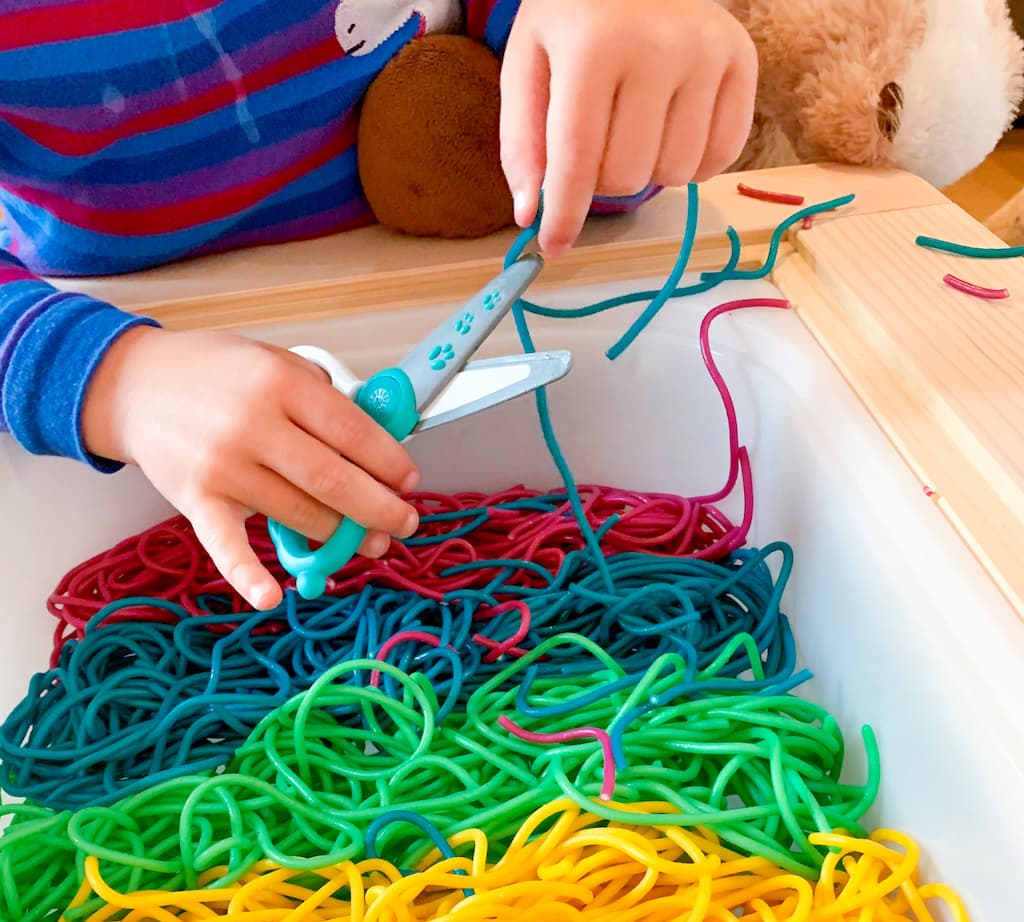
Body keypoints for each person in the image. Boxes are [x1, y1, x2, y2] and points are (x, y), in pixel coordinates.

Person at [0, 0, 756, 609]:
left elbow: (603, 97)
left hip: (475, 233)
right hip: (128, 346)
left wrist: (622, 50)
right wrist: (112, 380)